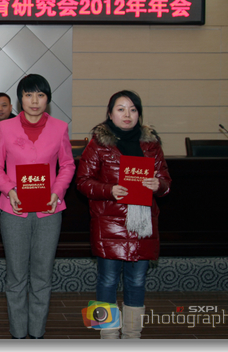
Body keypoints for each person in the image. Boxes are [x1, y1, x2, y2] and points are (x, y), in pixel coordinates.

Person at [76, 90, 171, 339]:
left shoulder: (151, 144)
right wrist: (109, 190)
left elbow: (166, 182)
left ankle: (133, 336)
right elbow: (83, 182)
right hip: (110, 223)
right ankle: (107, 335)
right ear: (110, 114)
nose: (127, 114)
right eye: (121, 109)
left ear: (139, 113)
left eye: (133, 109)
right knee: (106, 280)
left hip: (143, 224)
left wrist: (158, 185)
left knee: (137, 281)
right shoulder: (98, 144)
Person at [0, 74, 75, 339]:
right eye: (28, 95)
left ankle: (37, 333)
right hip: (14, 209)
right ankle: (17, 333)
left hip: (49, 210)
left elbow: (67, 165)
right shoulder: (5, 128)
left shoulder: (59, 127)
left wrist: (57, 192)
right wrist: (9, 189)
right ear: (20, 99)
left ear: (48, 99)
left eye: (40, 95)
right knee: (16, 275)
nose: (34, 101)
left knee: (42, 274)